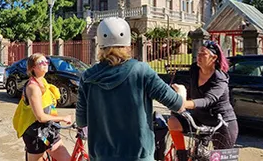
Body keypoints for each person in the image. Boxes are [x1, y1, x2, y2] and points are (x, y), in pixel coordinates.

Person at [78, 17, 185, 161]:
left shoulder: (87, 77)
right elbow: (177, 104)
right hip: (138, 155)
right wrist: (182, 92)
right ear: (128, 44)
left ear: (100, 45)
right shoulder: (141, 71)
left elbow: (81, 121)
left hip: (101, 156)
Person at [167, 39, 241, 159]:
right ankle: (182, 155)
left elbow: (208, 100)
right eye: (198, 53)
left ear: (214, 58)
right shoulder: (195, 70)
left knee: (219, 157)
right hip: (200, 119)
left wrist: (183, 103)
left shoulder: (220, 78)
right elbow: (189, 88)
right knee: (173, 121)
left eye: (203, 54)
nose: (199, 56)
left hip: (222, 122)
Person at [13, 53, 75, 161]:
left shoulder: (43, 82)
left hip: (49, 129)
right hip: (36, 133)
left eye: (46, 61)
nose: (45, 64)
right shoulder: (33, 87)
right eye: (41, 62)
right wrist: (63, 118)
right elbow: (40, 117)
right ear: (33, 68)